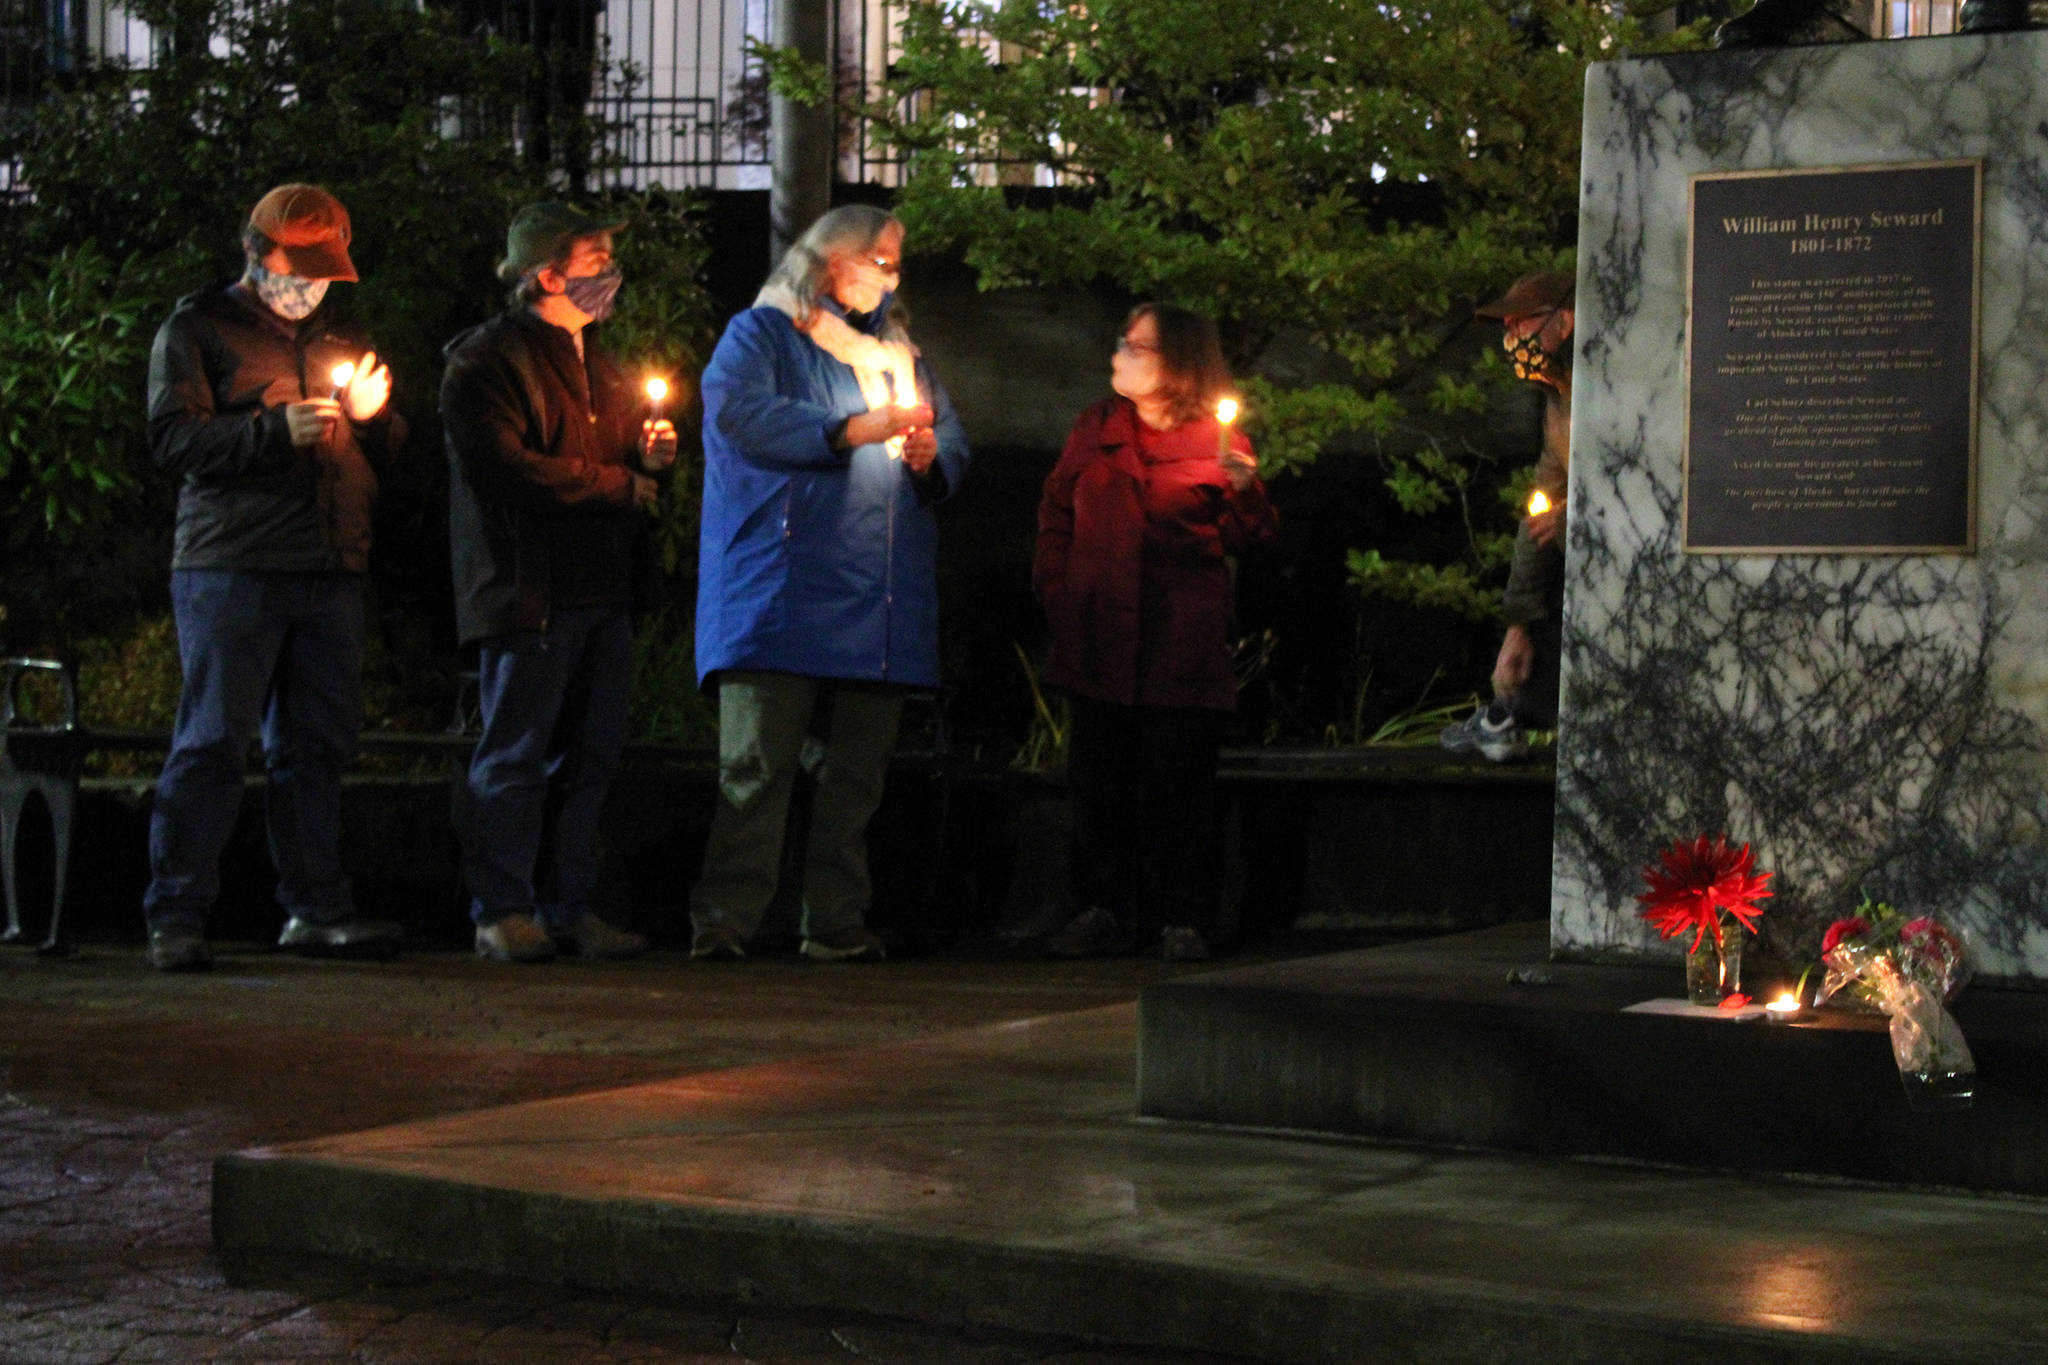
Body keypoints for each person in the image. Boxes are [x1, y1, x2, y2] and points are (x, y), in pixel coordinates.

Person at [688, 204, 970, 964]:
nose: (890, 272)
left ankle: (835, 916)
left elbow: (952, 442)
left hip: (875, 591)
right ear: (829, 259)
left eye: (896, 261)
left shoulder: (903, 355)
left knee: (855, 774)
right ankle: (726, 918)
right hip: (779, 585)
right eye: (876, 256)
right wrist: (849, 431)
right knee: (755, 767)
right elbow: (741, 412)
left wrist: (925, 456)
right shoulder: (762, 335)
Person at [141, 184, 404, 971]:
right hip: (233, 564)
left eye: (327, 268)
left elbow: (389, 451)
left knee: (315, 745)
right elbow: (172, 440)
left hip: (328, 563)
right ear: (256, 254)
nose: (312, 285)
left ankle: (316, 910)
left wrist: (374, 416)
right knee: (215, 740)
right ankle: (176, 915)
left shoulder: (338, 330)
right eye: (300, 266)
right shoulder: (197, 327)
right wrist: (267, 431)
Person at [442, 202, 677, 964]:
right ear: (547, 275)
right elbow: (504, 469)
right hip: (529, 593)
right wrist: (618, 484)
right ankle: (502, 911)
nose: (610, 274)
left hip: (600, 592)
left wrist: (649, 457)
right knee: (513, 756)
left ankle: (566, 905)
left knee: (589, 760)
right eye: (595, 260)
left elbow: (614, 467)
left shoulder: (595, 360)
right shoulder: (484, 362)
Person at [1035, 304, 1278, 963]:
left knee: (1180, 786)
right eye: (1123, 341)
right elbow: (1057, 514)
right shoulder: (1096, 429)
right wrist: (1058, 592)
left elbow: (1251, 540)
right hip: (1097, 637)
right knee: (1098, 783)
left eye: (1137, 347)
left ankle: (1182, 916)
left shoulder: (1218, 445)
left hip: (1178, 643)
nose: (1119, 354)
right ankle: (1098, 908)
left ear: (1177, 366)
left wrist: (1246, 495)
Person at [1441, 271, 1575, 764]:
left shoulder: (1603, 391)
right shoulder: (1557, 398)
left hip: (1627, 565)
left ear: (1565, 321)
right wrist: (1517, 621)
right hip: (1579, 551)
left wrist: (1574, 523)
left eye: (1523, 324)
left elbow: (1638, 488)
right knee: (1542, 560)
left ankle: (1515, 715)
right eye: (1508, 327)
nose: (1512, 338)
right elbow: (1542, 504)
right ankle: (1508, 712)